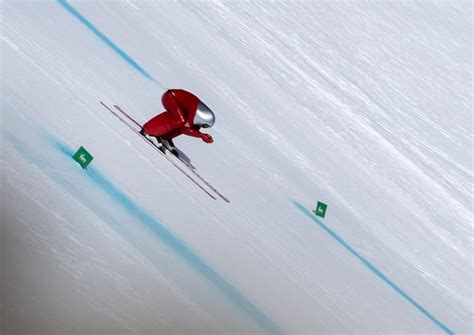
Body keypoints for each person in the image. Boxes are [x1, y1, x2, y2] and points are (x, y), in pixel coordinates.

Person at [141, 89, 215, 156]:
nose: (202, 127)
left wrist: (201, 135)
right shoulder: (195, 113)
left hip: (174, 98)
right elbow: (186, 129)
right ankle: (151, 132)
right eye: (204, 125)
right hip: (170, 97)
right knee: (181, 120)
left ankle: (165, 137)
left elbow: (187, 129)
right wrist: (201, 135)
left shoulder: (198, 117)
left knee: (182, 123)